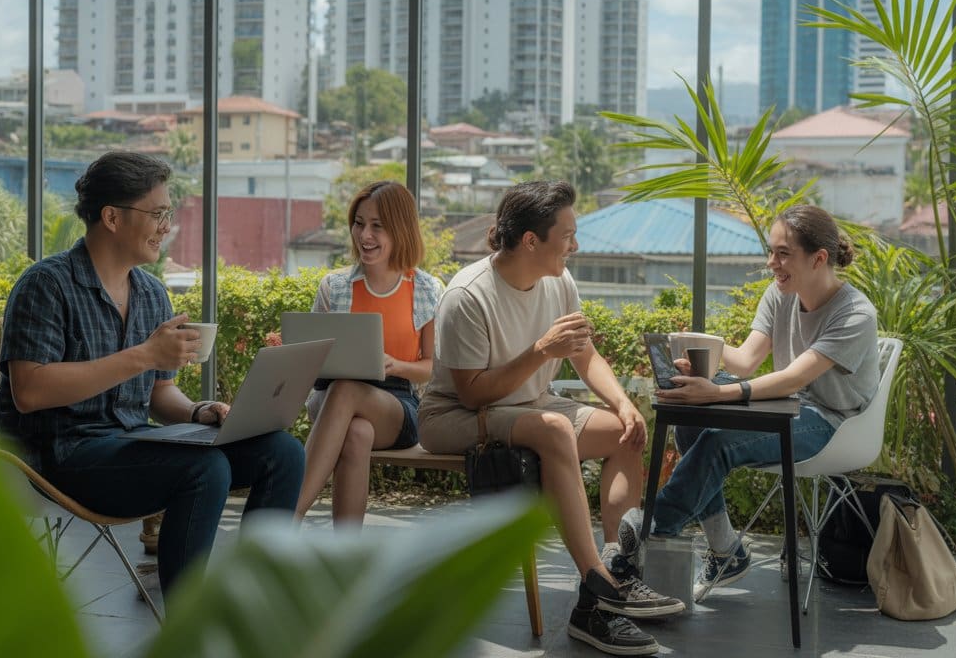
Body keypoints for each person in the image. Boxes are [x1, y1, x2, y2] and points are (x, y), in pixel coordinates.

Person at [0, 151, 304, 594]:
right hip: (59, 456)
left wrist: (201, 413)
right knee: (206, 469)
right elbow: (30, 391)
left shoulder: (150, 292)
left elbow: (160, 396)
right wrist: (144, 355)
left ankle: (252, 600)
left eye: (168, 213)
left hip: (129, 446)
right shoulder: (47, 285)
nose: (166, 226)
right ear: (112, 218)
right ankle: (187, 631)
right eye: (157, 213)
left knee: (282, 452)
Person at [418, 180, 682, 657]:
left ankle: (616, 573)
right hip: (453, 416)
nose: (575, 246)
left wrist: (623, 404)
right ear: (530, 241)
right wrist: (541, 351)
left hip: (529, 405)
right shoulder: (468, 295)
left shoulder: (558, 280)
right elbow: (471, 392)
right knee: (556, 428)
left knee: (624, 433)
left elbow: (587, 356)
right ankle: (599, 595)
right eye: (567, 236)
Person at [618, 204, 879, 594]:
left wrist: (719, 392)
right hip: (786, 403)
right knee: (690, 413)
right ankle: (727, 550)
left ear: (819, 258)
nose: (772, 263)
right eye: (771, 251)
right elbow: (745, 363)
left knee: (718, 441)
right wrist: (702, 352)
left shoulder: (855, 313)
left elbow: (796, 375)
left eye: (783, 254)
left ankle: (653, 528)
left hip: (831, 422)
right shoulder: (781, 294)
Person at [295, 180, 442, 526]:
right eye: (359, 223)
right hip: (331, 396)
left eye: (378, 226)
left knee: (348, 392)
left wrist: (396, 365)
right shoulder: (334, 286)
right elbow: (310, 361)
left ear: (401, 229)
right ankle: (346, 560)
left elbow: (432, 368)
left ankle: (289, 516)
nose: (365, 235)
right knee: (356, 430)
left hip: (397, 403)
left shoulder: (426, 289)